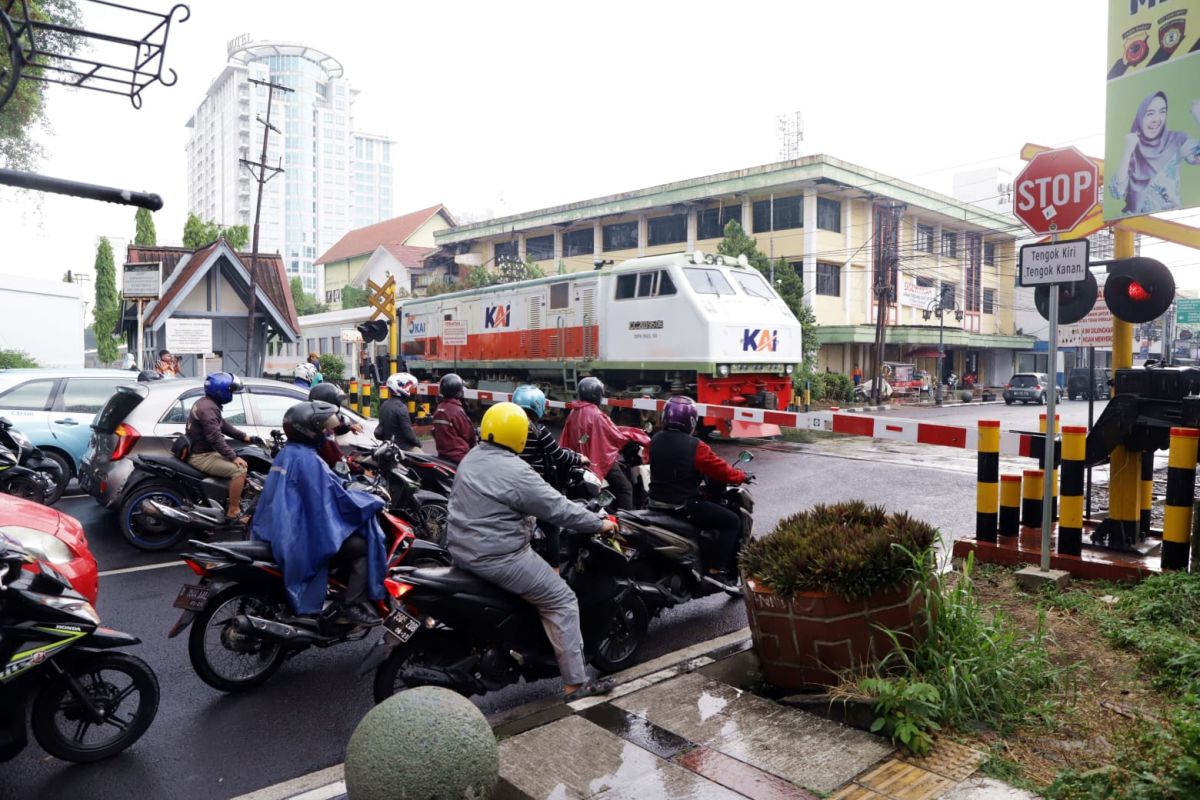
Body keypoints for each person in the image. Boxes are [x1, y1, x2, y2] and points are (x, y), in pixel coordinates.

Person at [447, 402, 616, 701]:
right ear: (519, 435)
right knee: (562, 599)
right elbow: (557, 509)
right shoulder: (516, 471)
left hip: (461, 550)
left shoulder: (472, 458)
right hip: (499, 557)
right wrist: (598, 524)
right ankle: (576, 685)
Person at [252, 401, 388, 627]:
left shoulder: (287, 454)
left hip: (273, 529)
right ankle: (352, 606)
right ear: (310, 429)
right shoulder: (310, 461)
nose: (327, 432)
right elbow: (338, 502)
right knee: (363, 547)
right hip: (300, 535)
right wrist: (371, 501)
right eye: (324, 428)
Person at [648, 395, 748, 585]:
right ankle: (715, 570)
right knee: (731, 521)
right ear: (691, 420)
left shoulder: (655, 440)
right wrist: (741, 476)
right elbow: (720, 469)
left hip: (655, 503)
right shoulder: (695, 446)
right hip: (684, 506)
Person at [512, 384, 589, 571]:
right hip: (534, 484)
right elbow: (559, 455)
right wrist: (579, 458)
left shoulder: (512, 429)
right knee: (552, 523)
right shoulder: (539, 430)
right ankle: (555, 569)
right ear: (538, 406)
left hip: (513, 482)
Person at [1110, 91, 1200, 216]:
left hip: (1171, 220)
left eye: (1162, 111)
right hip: (1138, 224)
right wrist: (1127, 150)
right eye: (1150, 113)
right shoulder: (1133, 148)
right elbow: (1117, 192)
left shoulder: (1175, 140)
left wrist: (1198, 116)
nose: (1156, 119)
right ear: (1140, 117)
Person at [185, 372, 255, 527]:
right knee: (240, 469)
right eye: (230, 390)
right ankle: (233, 510)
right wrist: (233, 457)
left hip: (201, 451)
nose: (232, 394)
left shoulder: (207, 403)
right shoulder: (209, 409)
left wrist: (244, 437)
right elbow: (215, 438)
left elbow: (222, 425)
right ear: (221, 391)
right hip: (201, 455)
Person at [559, 377, 635, 511]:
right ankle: (627, 521)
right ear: (597, 395)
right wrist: (632, 435)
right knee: (625, 488)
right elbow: (615, 436)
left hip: (576, 461)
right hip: (596, 460)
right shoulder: (597, 415)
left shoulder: (573, 411)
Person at [309, 383, 364, 471]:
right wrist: (361, 470)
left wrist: (349, 427)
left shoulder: (314, 420)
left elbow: (335, 428)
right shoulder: (324, 430)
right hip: (322, 473)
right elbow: (338, 460)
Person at [432, 373, 476, 464]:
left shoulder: (439, 409)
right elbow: (469, 435)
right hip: (460, 457)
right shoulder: (456, 411)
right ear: (458, 391)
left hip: (443, 455)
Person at [377, 372, 422, 452]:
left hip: (387, 446)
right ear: (402, 387)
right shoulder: (401, 408)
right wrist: (418, 443)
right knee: (426, 460)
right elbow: (408, 433)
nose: (411, 391)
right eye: (409, 387)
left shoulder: (384, 405)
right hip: (402, 448)